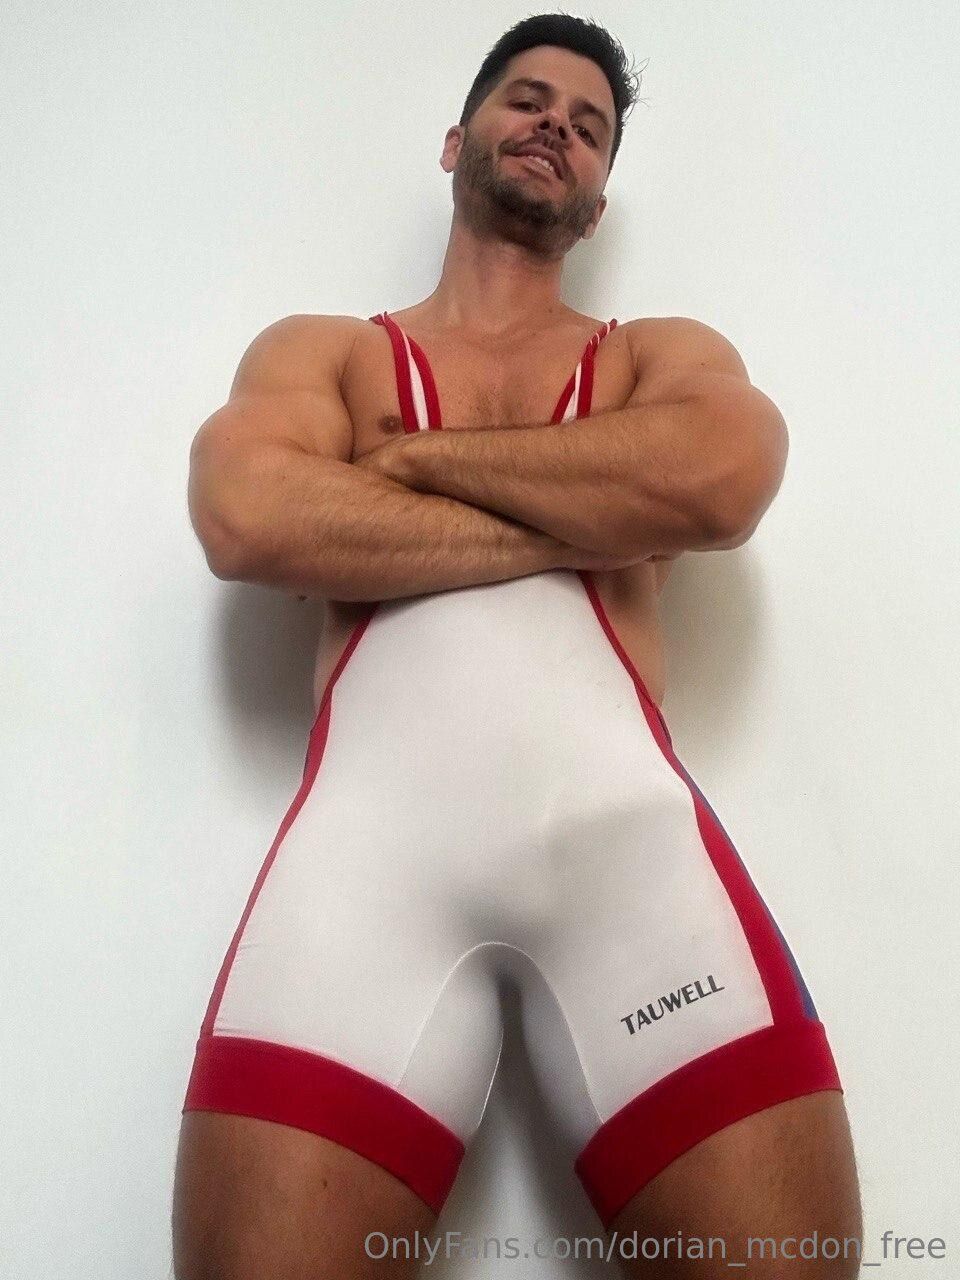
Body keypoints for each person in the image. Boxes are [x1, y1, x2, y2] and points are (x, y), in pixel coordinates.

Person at [172, 14, 862, 1279]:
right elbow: (247, 514)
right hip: (365, 877)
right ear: (457, 141)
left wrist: (408, 463)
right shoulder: (328, 350)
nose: (557, 126)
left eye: (590, 127)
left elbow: (722, 479)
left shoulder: (654, 353)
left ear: (596, 205)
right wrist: (597, 512)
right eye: (530, 99)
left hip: (630, 867)